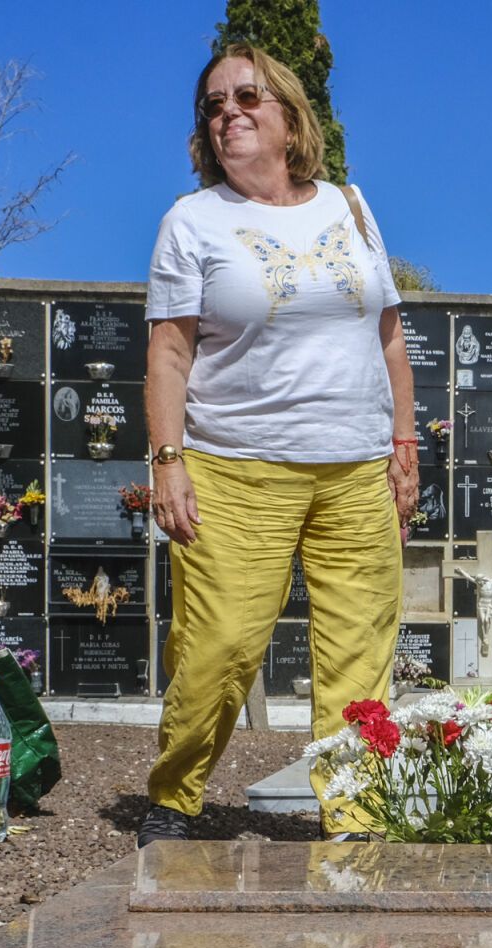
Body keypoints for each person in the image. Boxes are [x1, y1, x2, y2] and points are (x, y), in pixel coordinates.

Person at [139, 43, 417, 846]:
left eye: (249, 97)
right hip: (236, 469)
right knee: (218, 647)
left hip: (356, 469)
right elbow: (168, 352)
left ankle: (355, 813)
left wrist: (405, 441)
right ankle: (176, 794)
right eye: (216, 104)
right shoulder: (193, 221)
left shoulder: (351, 205)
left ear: (291, 119)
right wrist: (168, 460)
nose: (230, 112)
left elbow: (390, 336)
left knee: (359, 655)